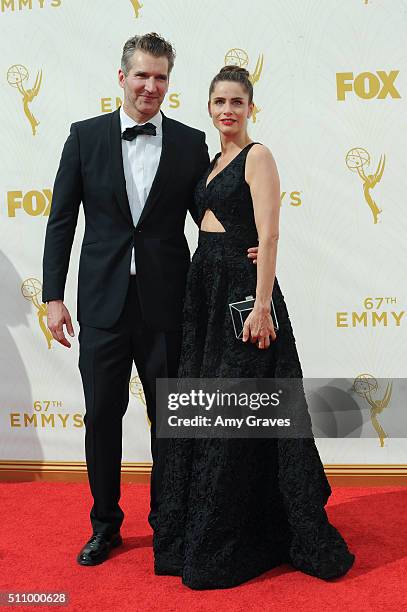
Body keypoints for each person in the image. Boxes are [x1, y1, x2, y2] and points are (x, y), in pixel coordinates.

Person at [42, 33, 259, 566]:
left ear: (169, 82)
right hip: (101, 304)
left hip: (168, 304)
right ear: (122, 78)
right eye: (142, 75)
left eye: (161, 77)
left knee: (172, 421)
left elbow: (206, 212)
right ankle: (105, 524)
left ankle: (171, 524)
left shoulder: (188, 144)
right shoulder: (85, 137)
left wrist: (249, 246)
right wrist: (52, 296)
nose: (151, 86)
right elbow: (61, 221)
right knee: (101, 417)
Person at [152, 66, 356, 589]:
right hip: (205, 295)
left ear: (250, 107)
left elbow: (269, 236)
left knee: (236, 413)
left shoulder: (257, 156)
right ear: (209, 106)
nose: (227, 110)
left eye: (237, 102)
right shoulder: (211, 159)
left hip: (244, 296)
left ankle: (230, 538)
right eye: (219, 101)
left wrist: (262, 304)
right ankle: (211, 528)